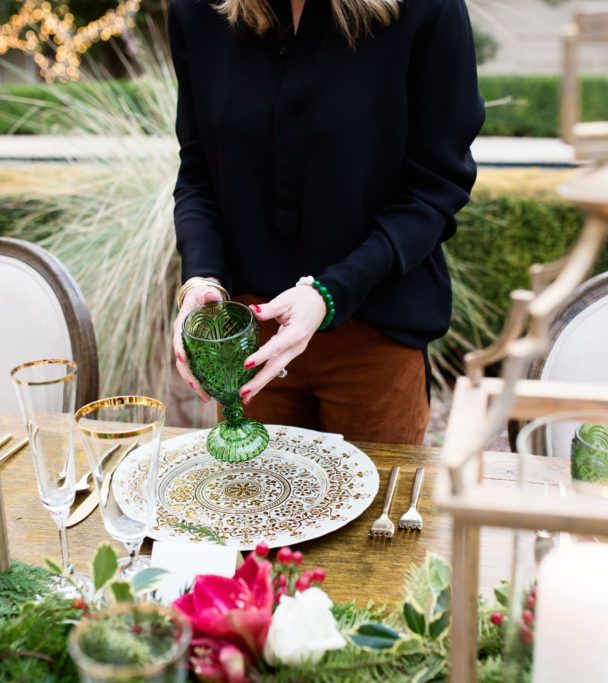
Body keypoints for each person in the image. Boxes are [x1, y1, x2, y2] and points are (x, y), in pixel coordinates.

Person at [169, 0, 485, 445]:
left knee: (382, 514)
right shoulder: (196, 11)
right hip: (252, 344)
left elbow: (436, 188)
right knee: (256, 511)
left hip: (376, 336)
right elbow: (198, 174)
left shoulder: (429, 10)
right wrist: (201, 277)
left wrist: (328, 294)